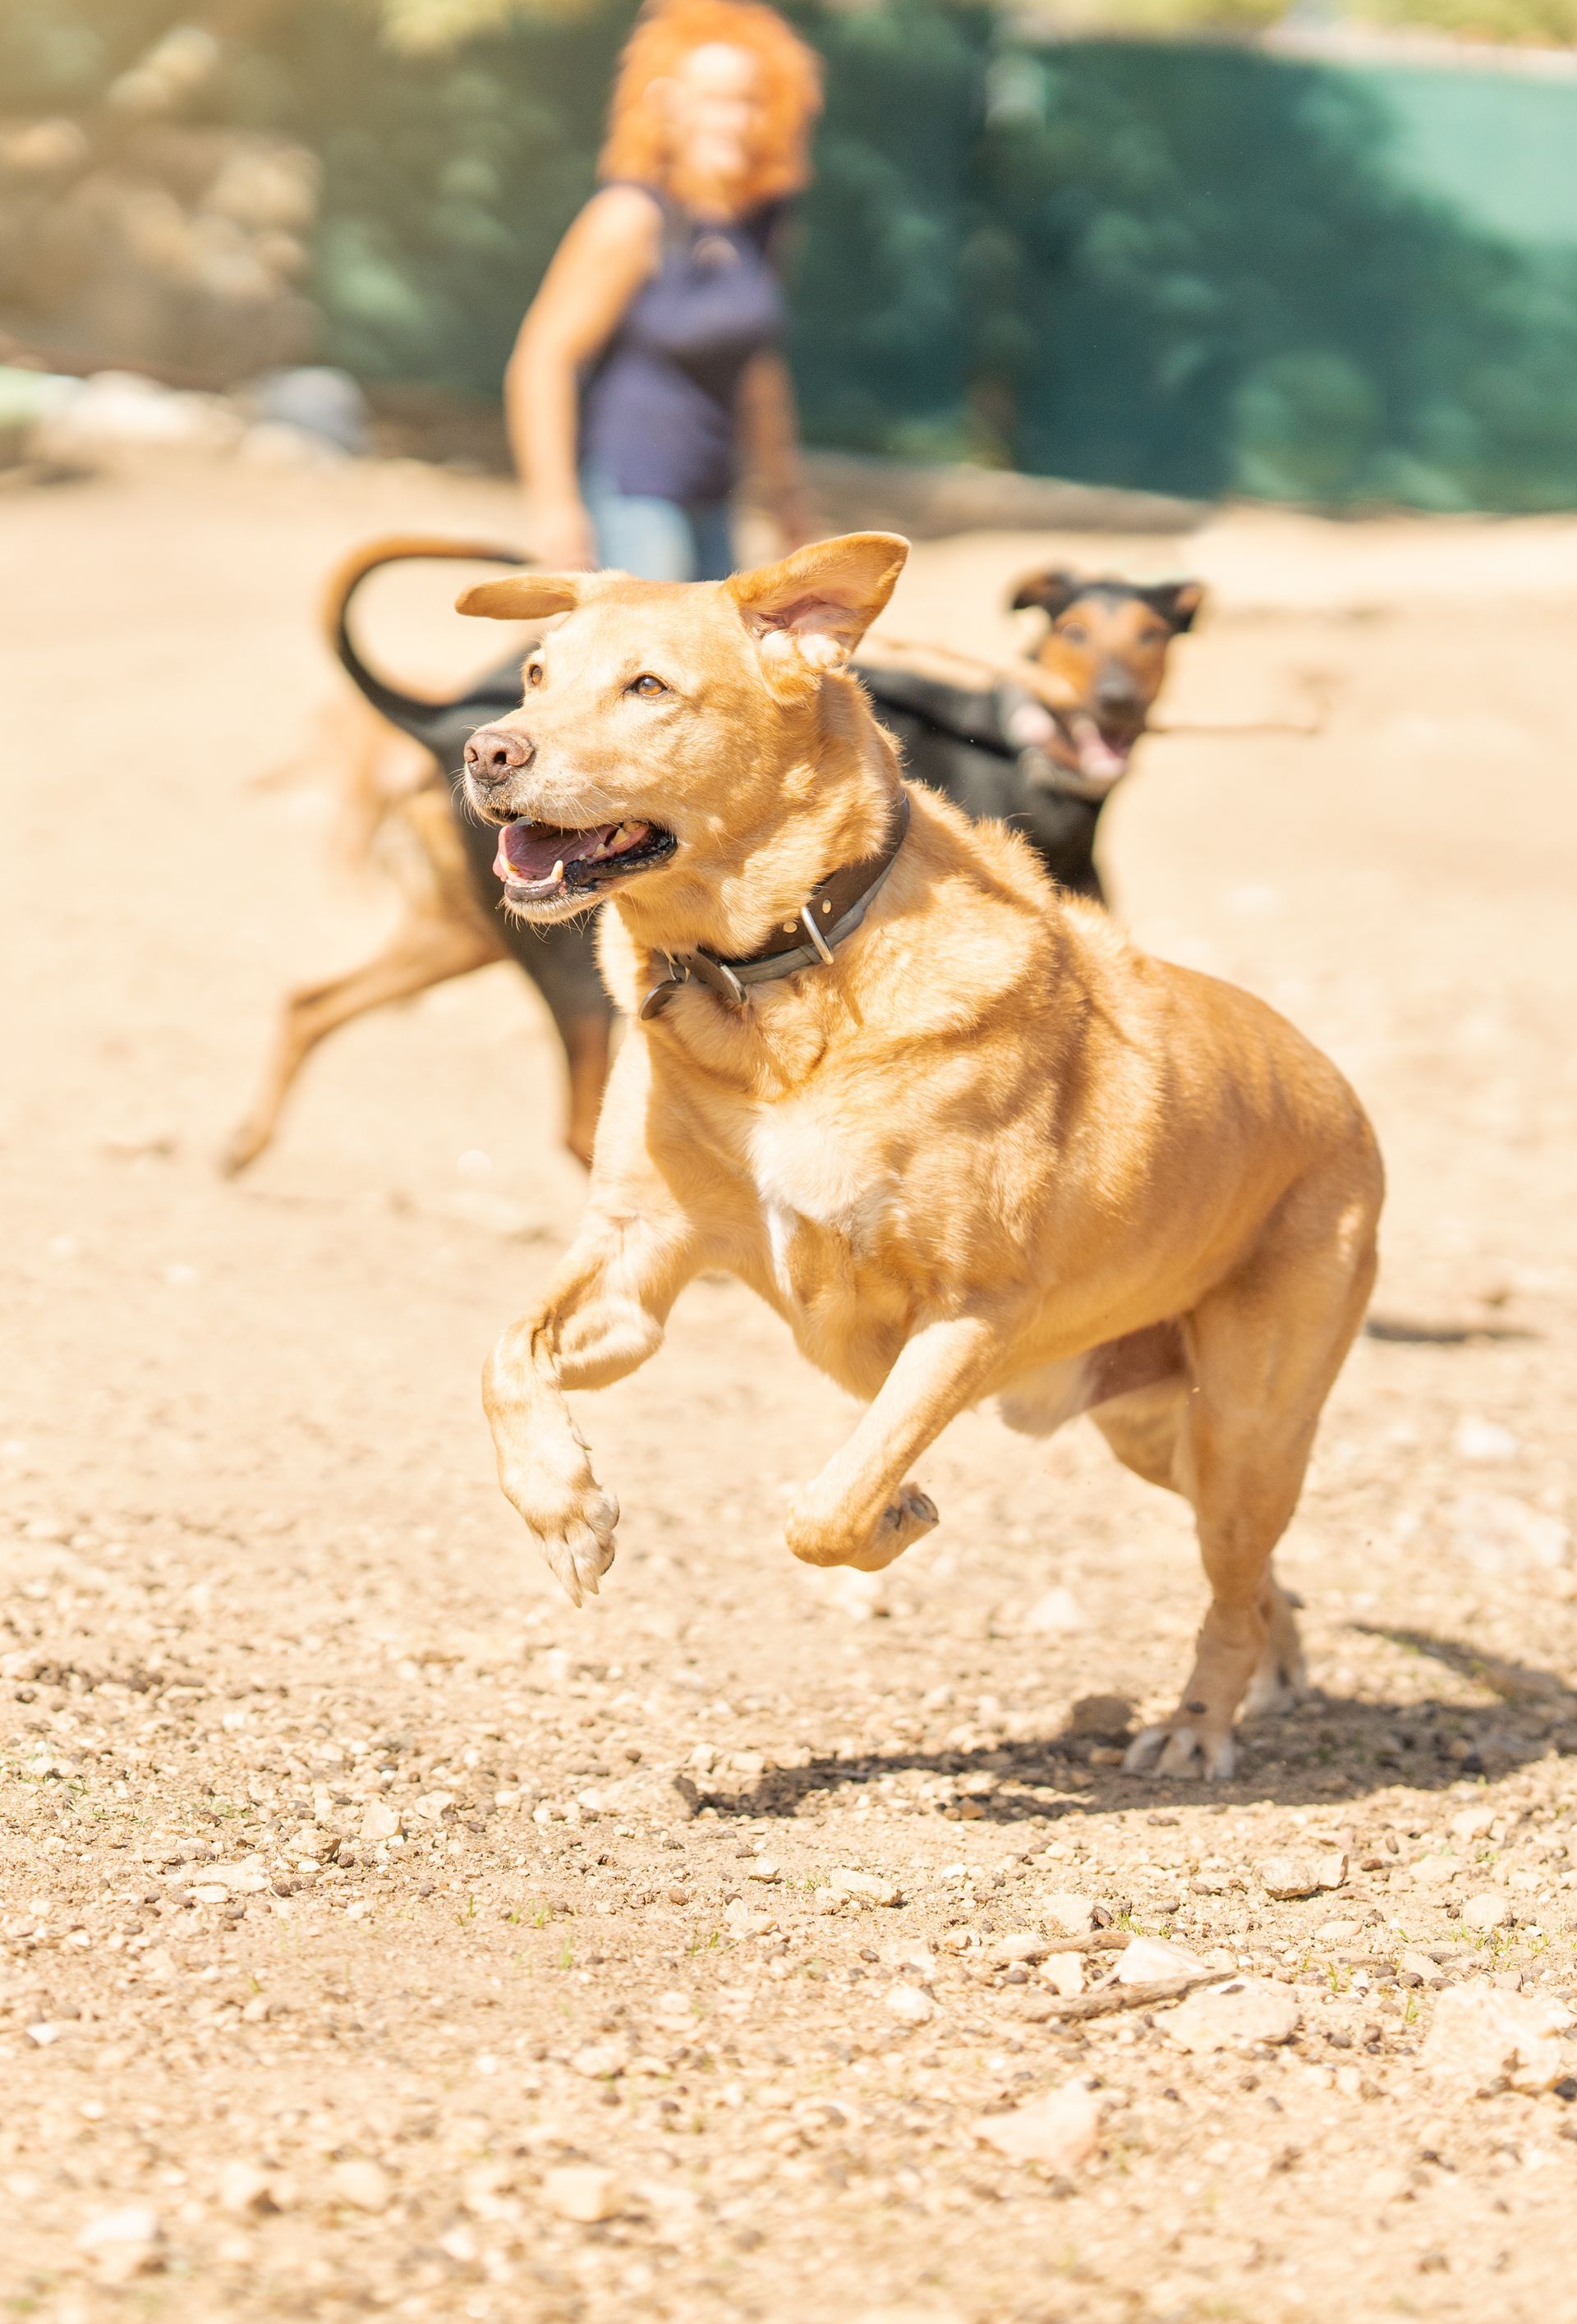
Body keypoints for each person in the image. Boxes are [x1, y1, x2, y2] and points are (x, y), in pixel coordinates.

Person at [504, 0, 821, 582]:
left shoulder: (760, 226)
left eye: (747, 101)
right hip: (634, 491)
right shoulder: (630, 217)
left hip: (713, 493)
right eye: (713, 101)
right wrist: (553, 507)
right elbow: (543, 358)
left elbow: (758, 368)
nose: (732, 119)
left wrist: (787, 498)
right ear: (666, 106)